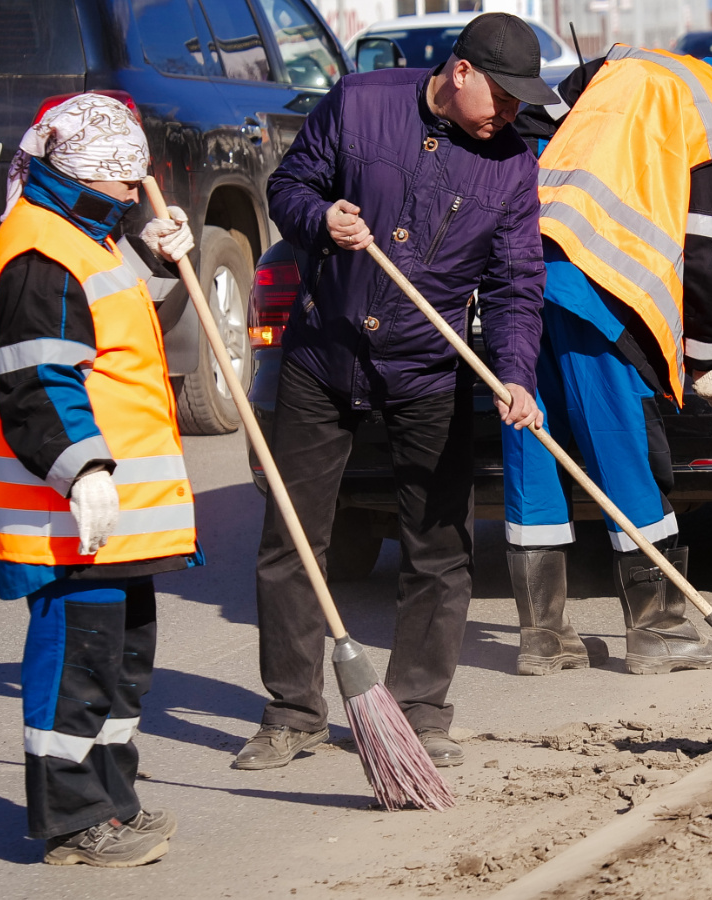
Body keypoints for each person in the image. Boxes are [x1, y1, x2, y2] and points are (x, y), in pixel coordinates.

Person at [240, 12, 555, 771]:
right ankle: (291, 712)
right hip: (326, 351)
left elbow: (515, 284)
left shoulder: (512, 163)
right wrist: (321, 218)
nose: (513, 113)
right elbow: (289, 186)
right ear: (460, 72)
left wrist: (515, 373)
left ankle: (418, 710)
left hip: (426, 368)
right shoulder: (357, 102)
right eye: (503, 96)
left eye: (522, 101)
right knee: (292, 539)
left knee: (440, 548)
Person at [500, 34, 712, 676]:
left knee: (531, 438)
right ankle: (659, 629)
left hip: (524, 275)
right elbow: (706, 262)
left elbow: (525, 123)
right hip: (604, 292)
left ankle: (542, 639)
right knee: (626, 452)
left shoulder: (621, 67)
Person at [0, 93, 201, 867]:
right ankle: (74, 821)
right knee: (78, 668)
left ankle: (114, 801)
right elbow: (39, 383)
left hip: (115, 522)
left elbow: (116, 342)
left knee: (121, 668)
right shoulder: (40, 253)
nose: (138, 192)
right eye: (126, 181)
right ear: (86, 177)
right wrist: (85, 470)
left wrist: (158, 263)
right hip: (70, 516)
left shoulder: (88, 238)